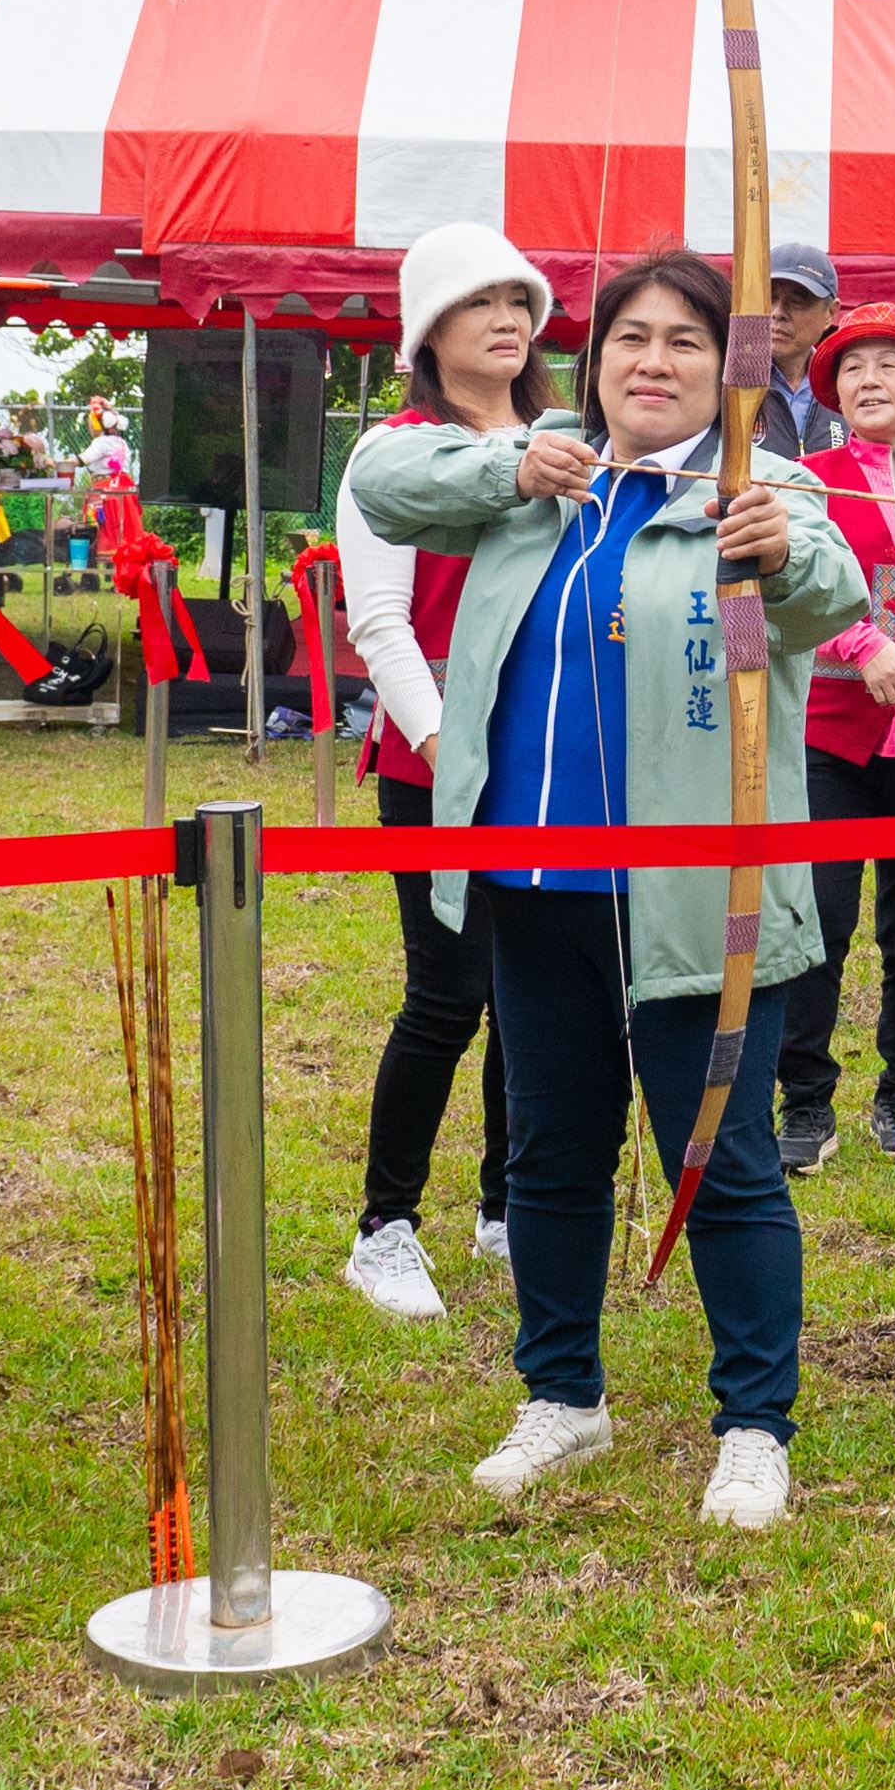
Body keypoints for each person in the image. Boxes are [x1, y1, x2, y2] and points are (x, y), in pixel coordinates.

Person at [348, 248, 862, 1528]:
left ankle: (753, 1424)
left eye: (686, 342)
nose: (653, 362)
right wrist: (512, 462)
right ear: (593, 359)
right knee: (551, 1156)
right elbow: (379, 477)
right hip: (535, 884)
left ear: (728, 368)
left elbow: (830, 593)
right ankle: (561, 1393)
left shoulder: (761, 487)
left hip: (692, 898)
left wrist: (776, 547)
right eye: (631, 337)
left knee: (722, 1159)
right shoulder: (539, 476)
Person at [331, 223, 545, 1313]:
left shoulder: (568, 439)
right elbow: (379, 623)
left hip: (554, 764)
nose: (504, 318)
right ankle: (385, 1226)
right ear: (429, 333)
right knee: (449, 992)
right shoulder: (392, 451)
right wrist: (444, 744)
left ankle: (509, 1206)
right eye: (477, 303)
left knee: (539, 995)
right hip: (435, 763)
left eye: (517, 300)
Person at [778, 297, 895, 1167]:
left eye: (889, 363)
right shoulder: (802, 477)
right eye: (850, 366)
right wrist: (863, 642)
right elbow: (783, 582)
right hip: (830, 730)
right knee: (817, 916)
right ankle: (805, 1105)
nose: (868, 379)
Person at [761, 243, 847, 457]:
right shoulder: (728, 382)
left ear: (830, 313)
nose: (778, 312)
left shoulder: (845, 386)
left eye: (797, 301)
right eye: (769, 298)